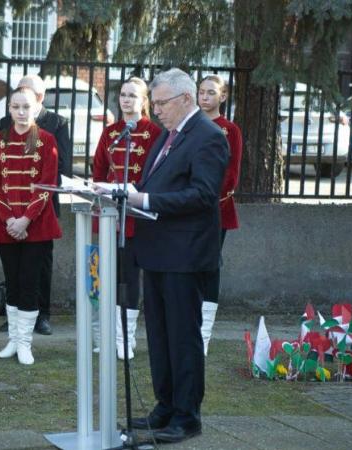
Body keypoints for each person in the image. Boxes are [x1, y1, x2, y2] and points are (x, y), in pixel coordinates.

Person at [127, 69, 228, 443]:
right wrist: (126, 193)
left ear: (186, 99)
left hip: (185, 255)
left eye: (161, 103)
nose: (155, 111)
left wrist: (145, 200)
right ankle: (165, 406)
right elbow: (156, 183)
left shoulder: (208, 136)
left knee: (183, 337)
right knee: (159, 334)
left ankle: (187, 416)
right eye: (153, 104)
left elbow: (203, 195)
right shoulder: (169, 135)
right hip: (157, 251)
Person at [0, 86, 62, 365]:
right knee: (12, 282)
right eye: (16, 107)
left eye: (26, 107)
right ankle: (14, 340)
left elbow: (47, 184)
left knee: (30, 283)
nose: (21, 112)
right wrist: (10, 220)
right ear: (9, 109)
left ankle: (25, 343)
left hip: (36, 224)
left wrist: (26, 219)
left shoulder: (47, 140)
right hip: (5, 223)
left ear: (36, 108)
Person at [91, 77, 161, 360]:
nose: (126, 100)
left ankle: (125, 338)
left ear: (144, 101)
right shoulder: (110, 132)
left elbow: (157, 173)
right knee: (108, 276)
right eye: (123, 94)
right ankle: (109, 335)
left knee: (130, 278)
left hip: (137, 216)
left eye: (133, 95)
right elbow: (99, 169)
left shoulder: (154, 132)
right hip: (110, 213)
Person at [0, 74, 72, 335]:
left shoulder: (57, 123)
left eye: (27, 96)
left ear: (39, 98)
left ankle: (42, 314)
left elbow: (62, 166)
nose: (21, 108)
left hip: (42, 205)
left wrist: (37, 194)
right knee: (15, 268)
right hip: (11, 208)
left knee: (41, 264)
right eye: (16, 101)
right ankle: (15, 317)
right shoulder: (5, 124)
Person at [197, 75, 243, 355]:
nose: (205, 97)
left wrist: (206, 197)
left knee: (210, 266)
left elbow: (231, 172)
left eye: (211, 92)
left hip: (215, 208)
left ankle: (205, 333)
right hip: (187, 209)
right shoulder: (190, 124)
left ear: (222, 97)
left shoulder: (230, 130)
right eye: (201, 92)